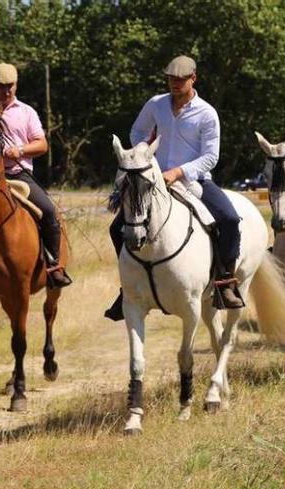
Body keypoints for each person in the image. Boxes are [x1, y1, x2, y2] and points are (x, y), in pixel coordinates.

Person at [104, 55, 242, 321]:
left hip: (195, 181)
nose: (175, 83)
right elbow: (136, 133)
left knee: (229, 219)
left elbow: (210, 157)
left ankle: (225, 282)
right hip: (153, 181)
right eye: (171, 79)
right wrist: (148, 160)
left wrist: (179, 171)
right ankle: (127, 290)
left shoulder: (207, 113)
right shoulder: (155, 105)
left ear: (194, 78)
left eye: (181, 79)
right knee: (116, 227)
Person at [0, 63, 71, 288]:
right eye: (1, 86)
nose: (6, 91)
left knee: (49, 212)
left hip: (19, 175)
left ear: (16, 85)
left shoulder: (26, 112)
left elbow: (42, 144)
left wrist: (20, 150)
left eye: (10, 86)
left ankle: (54, 266)